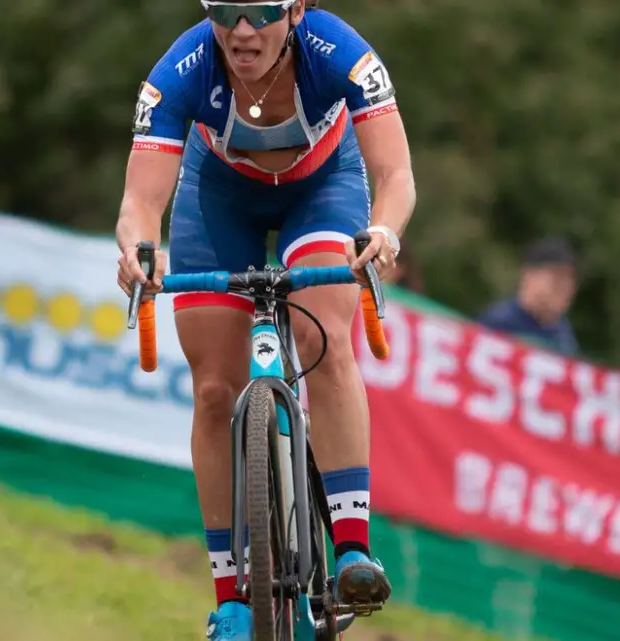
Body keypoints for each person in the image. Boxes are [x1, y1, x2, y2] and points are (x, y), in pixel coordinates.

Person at [113, 2, 416, 639]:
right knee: (214, 390)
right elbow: (141, 201)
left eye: (260, 13)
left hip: (323, 187)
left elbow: (395, 175)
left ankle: (353, 549)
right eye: (225, 12)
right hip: (216, 197)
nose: (242, 31)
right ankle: (230, 597)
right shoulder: (182, 69)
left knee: (325, 339)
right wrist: (140, 250)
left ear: (296, 11)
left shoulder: (338, 52)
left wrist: (384, 232)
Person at [476, 236, 579, 356]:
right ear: (528, 275)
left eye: (571, 281)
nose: (565, 288)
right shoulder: (497, 322)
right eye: (557, 278)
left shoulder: (564, 336)